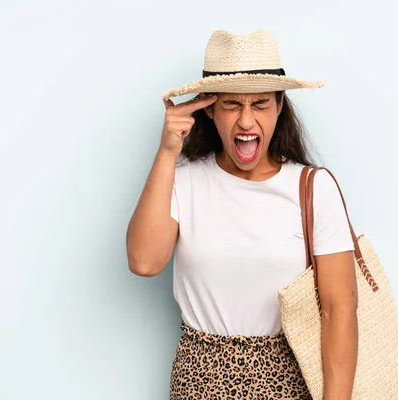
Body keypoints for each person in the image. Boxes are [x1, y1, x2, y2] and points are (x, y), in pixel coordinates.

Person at [126, 29, 359, 399]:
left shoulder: (314, 187)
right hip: (197, 383)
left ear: (280, 107)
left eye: (261, 103)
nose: (247, 121)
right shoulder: (183, 180)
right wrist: (168, 152)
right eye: (233, 104)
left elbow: (339, 309)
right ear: (209, 108)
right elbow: (144, 261)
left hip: (289, 381)